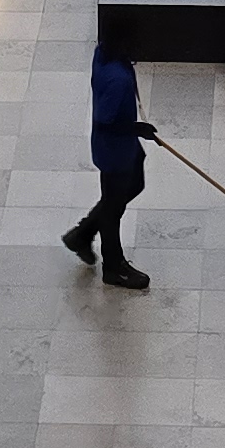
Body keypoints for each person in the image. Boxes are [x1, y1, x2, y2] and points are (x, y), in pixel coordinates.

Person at [63, 44, 155, 291]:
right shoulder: (117, 79)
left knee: (132, 186)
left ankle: (82, 234)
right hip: (115, 152)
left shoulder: (105, 53)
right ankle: (114, 268)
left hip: (122, 147)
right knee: (113, 209)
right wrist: (136, 128)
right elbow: (105, 120)